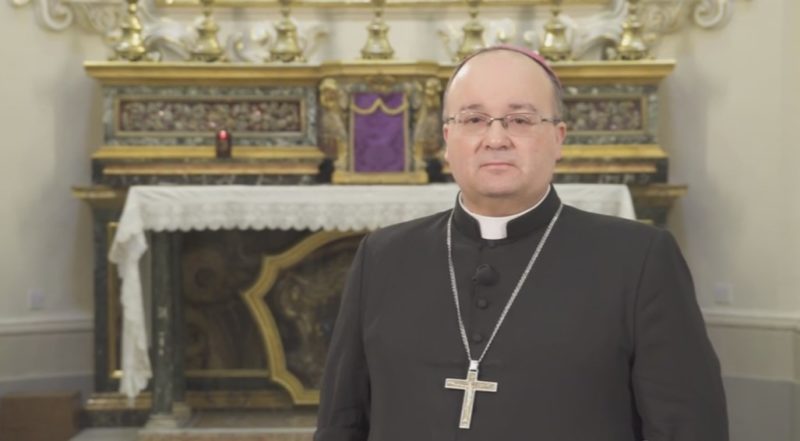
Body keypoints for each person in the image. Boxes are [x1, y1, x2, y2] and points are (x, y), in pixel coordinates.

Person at [314, 45, 728, 441]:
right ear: (447, 139)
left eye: (520, 120)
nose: (496, 139)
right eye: (474, 119)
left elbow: (688, 427)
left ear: (559, 138)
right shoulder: (383, 257)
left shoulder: (638, 259)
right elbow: (341, 422)